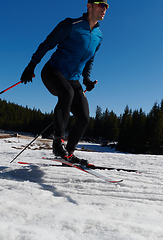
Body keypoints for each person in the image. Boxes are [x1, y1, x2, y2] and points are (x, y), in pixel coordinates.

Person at [20, 1, 109, 166]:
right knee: (66, 93)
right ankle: (57, 143)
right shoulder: (71, 24)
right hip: (53, 72)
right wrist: (31, 65)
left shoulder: (99, 36)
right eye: (101, 5)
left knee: (83, 117)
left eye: (106, 6)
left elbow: (90, 59)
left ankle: (68, 154)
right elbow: (48, 43)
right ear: (89, 6)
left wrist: (86, 79)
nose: (104, 9)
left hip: (73, 79)